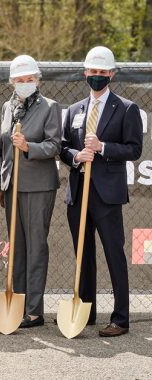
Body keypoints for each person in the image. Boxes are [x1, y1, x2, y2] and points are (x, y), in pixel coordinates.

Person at [59, 46, 143, 337]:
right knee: (83, 254)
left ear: (111, 74)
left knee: (114, 254)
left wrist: (103, 148)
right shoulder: (74, 110)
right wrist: (75, 156)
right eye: (92, 72)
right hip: (78, 191)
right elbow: (63, 147)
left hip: (107, 195)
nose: (97, 77)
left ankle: (120, 318)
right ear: (85, 73)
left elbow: (134, 149)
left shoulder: (127, 109)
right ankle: (87, 311)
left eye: (102, 72)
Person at [0, 55, 61, 328]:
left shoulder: (50, 107)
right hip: (12, 186)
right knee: (18, 248)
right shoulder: (7, 107)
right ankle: (18, 304)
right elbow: (2, 148)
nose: (25, 83)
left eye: (29, 79)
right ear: (12, 82)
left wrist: (28, 148)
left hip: (38, 186)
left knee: (36, 247)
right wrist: (1, 183)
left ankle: (34, 310)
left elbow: (54, 145)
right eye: (20, 80)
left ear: (37, 80)